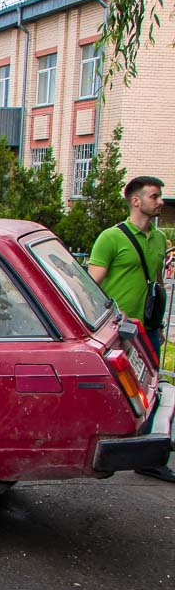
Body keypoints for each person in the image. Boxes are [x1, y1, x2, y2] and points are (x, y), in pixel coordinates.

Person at [88, 175, 173, 482]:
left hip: (147, 327)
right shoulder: (112, 238)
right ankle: (103, 445)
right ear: (136, 201)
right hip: (120, 330)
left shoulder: (160, 239)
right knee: (116, 389)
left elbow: (158, 283)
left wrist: (158, 323)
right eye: (154, 196)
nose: (160, 201)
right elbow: (92, 283)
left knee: (149, 389)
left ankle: (146, 454)